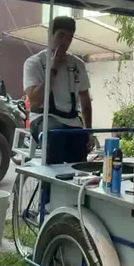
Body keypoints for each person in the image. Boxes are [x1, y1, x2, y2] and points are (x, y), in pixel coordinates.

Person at [23, 15, 94, 164]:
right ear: (50, 34)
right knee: (55, 135)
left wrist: (89, 130)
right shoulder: (34, 63)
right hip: (43, 118)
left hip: (72, 119)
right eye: (60, 35)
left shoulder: (77, 64)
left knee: (80, 144)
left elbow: (85, 99)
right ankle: (50, 178)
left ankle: (74, 176)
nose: (64, 42)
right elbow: (35, 101)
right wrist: (54, 67)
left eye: (69, 38)